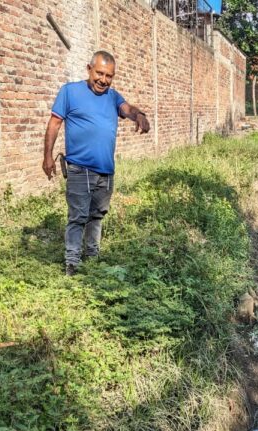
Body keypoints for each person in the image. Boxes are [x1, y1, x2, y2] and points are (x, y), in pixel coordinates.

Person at [43, 50, 150, 276]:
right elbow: (54, 124)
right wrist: (47, 157)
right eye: (99, 73)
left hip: (105, 171)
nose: (103, 80)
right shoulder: (70, 92)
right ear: (89, 69)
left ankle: (92, 258)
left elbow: (126, 109)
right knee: (78, 216)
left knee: (97, 215)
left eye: (109, 76)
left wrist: (139, 114)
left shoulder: (112, 96)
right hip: (79, 168)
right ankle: (72, 264)